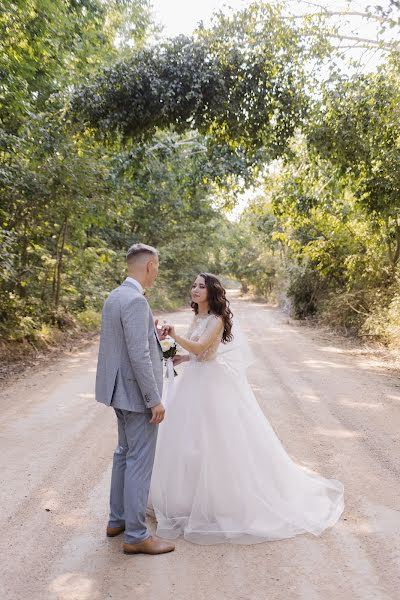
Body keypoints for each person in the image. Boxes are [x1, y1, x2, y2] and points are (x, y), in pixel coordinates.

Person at [149, 272, 344, 545]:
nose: (195, 289)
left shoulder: (216, 320)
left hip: (211, 386)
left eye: (201, 286)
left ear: (212, 292)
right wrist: (176, 356)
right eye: (193, 285)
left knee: (215, 440)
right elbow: (197, 355)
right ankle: (185, 499)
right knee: (188, 440)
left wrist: (175, 335)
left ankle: (219, 501)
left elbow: (203, 347)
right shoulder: (198, 317)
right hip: (194, 381)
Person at [95, 243, 175, 555]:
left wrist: (152, 333)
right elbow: (139, 356)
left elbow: (125, 345)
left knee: (123, 454)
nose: (157, 271)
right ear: (149, 266)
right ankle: (137, 535)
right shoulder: (136, 302)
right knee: (139, 461)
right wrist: (153, 399)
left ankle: (117, 521)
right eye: (156, 267)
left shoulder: (115, 297)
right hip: (136, 395)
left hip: (117, 392)